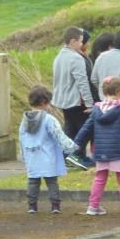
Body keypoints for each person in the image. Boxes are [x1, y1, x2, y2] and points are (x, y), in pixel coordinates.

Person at [74, 76, 120, 217]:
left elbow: (87, 128)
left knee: (100, 178)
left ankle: (93, 206)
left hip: (101, 150)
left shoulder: (96, 109)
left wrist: (76, 142)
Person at [19, 86, 78, 214]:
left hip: (32, 156)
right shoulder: (49, 119)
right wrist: (72, 147)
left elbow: (21, 138)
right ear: (45, 102)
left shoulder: (24, 120)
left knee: (33, 181)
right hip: (48, 155)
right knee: (52, 181)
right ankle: (55, 206)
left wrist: (23, 154)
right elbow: (59, 135)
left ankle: (32, 206)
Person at [52, 27, 96, 170]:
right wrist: (90, 103)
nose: (82, 44)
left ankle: (67, 156)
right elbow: (82, 82)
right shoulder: (76, 58)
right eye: (81, 41)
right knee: (82, 130)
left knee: (70, 129)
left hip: (63, 100)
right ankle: (78, 156)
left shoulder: (59, 56)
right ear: (73, 41)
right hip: (77, 101)